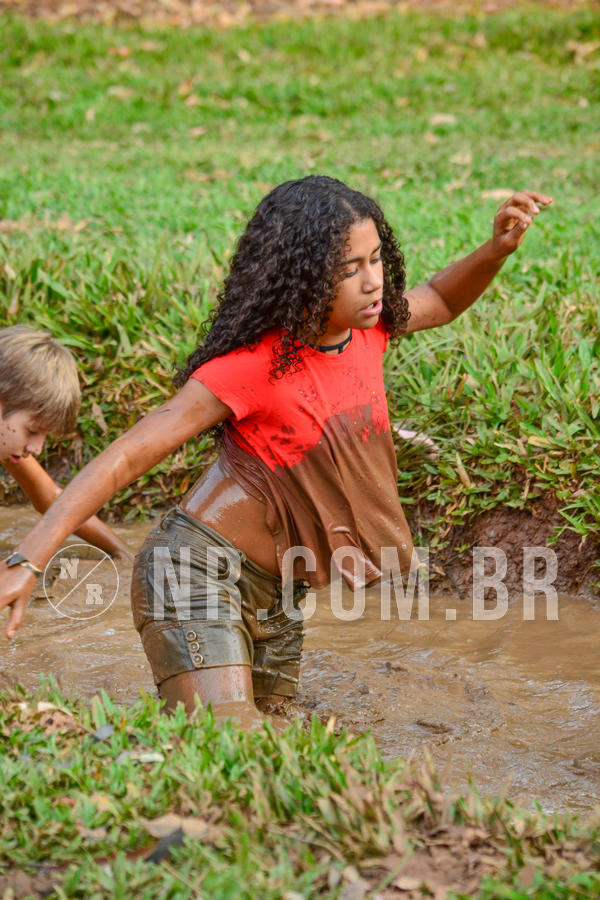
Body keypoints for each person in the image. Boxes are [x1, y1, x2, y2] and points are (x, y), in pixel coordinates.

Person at [0, 178, 551, 721]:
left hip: (281, 592)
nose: (372, 282)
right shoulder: (249, 367)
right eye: (349, 268)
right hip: (194, 576)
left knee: (283, 739)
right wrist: (29, 559)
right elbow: (125, 456)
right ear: (302, 277)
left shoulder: (372, 331)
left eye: (376, 259)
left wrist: (496, 249)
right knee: (230, 740)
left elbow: (441, 298)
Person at [0, 326, 131, 563]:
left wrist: (123, 554)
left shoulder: (9, 444)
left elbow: (50, 499)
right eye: (32, 431)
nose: (36, 449)